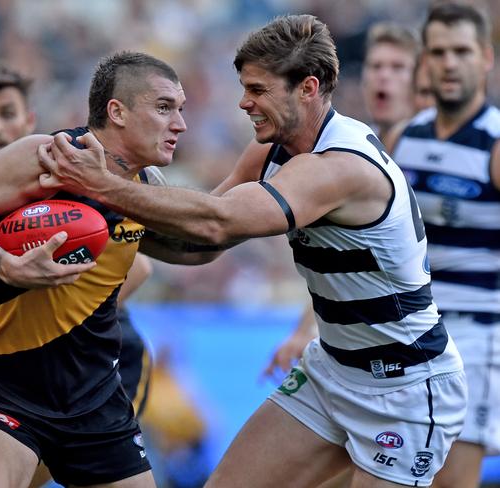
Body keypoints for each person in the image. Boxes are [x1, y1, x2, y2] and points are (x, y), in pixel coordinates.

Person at [37, 15, 467, 487]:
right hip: (333, 372)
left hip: (405, 387)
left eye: (258, 90)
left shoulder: (340, 167)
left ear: (307, 88)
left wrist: (99, 186)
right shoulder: (270, 153)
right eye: (245, 88)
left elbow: (216, 221)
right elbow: (198, 243)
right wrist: (96, 219)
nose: (244, 103)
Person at [0, 52, 219, 488]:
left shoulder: (144, 191)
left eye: (181, 110)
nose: (180, 124)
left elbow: (200, 247)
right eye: (165, 107)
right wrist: (5, 264)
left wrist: (254, 172)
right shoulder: (49, 156)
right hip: (7, 391)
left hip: (95, 401)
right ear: (118, 112)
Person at [262, 21, 425, 383]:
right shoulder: (352, 145)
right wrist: (306, 328)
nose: (384, 77)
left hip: (430, 337)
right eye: (375, 66)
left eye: (397, 68)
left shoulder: (439, 152)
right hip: (367, 345)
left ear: (420, 80)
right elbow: (345, 265)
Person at [387, 3, 500, 487]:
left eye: (462, 51)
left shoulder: (495, 143)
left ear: (486, 58)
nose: (450, 63)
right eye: (438, 52)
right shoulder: (403, 138)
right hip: (411, 330)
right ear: (425, 62)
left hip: (477, 335)